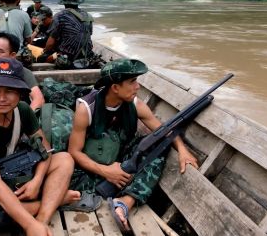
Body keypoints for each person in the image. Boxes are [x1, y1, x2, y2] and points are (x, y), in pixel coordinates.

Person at [67, 58, 199, 232]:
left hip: (120, 163)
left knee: (158, 142)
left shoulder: (135, 104)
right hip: (91, 171)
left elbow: (164, 131)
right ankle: (118, 192)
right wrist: (105, 171)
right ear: (115, 87)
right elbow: (74, 152)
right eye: (132, 81)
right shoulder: (86, 109)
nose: (137, 87)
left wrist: (182, 150)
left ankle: (125, 202)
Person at [0, 58, 80, 235]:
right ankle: (55, 200)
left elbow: (46, 151)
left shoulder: (23, 110)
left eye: (9, 91)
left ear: (20, 93)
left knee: (65, 160)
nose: (1, 98)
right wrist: (29, 225)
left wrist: (36, 182)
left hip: (13, 170)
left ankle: (42, 218)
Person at [0, 32, 45, 110]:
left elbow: (38, 99)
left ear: (12, 55)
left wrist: (26, 118)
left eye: (0, 51)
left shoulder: (23, 72)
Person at [38, 0, 94, 68]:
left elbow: (50, 44)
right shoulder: (88, 16)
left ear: (64, 3)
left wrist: (45, 52)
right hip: (87, 56)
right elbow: (89, 37)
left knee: (41, 59)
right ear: (78, 2)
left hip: (67, 59)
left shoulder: (60, 16)